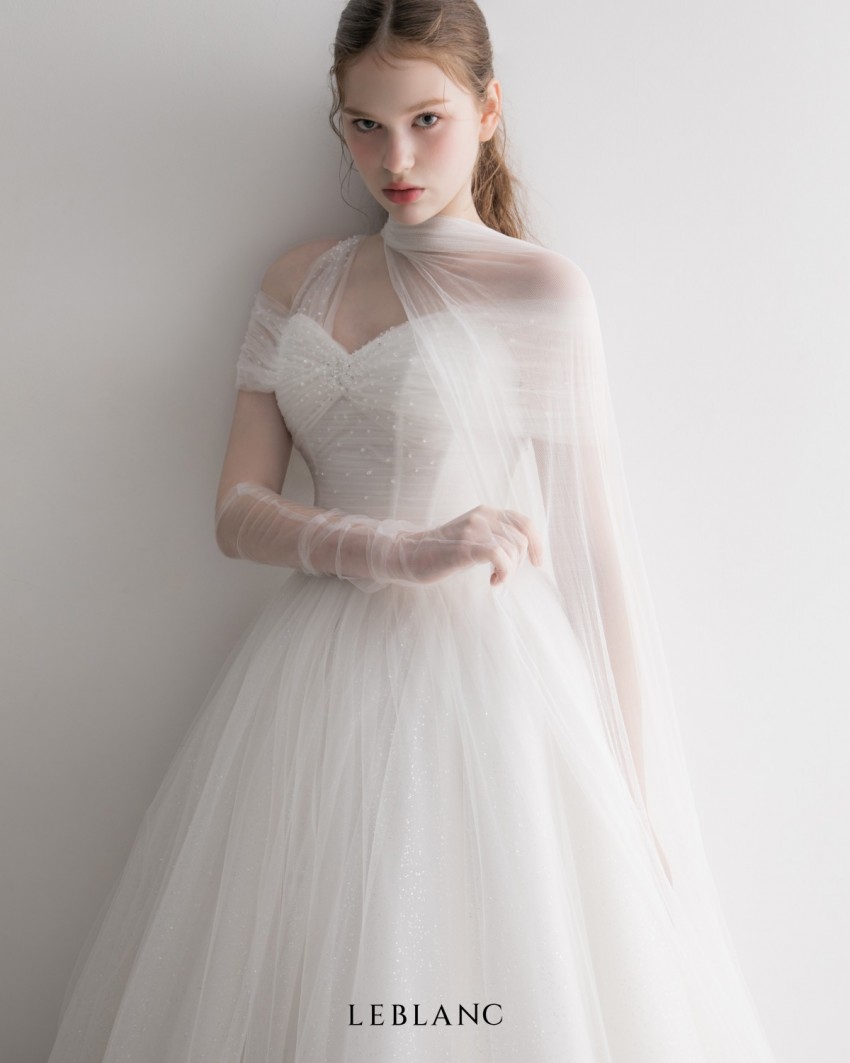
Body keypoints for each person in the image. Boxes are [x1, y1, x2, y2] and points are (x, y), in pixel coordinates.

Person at [47, 2, 780, 1061]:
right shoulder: (296, 279)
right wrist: (397, 548)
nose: (394, 159)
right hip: (310, 670)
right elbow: (236, 512)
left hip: (482, 676)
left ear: (488, 110)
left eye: (426, 120)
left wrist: (643, 797)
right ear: (339, 121)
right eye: (365, 126)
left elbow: (596, 554)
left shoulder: (541, 290)